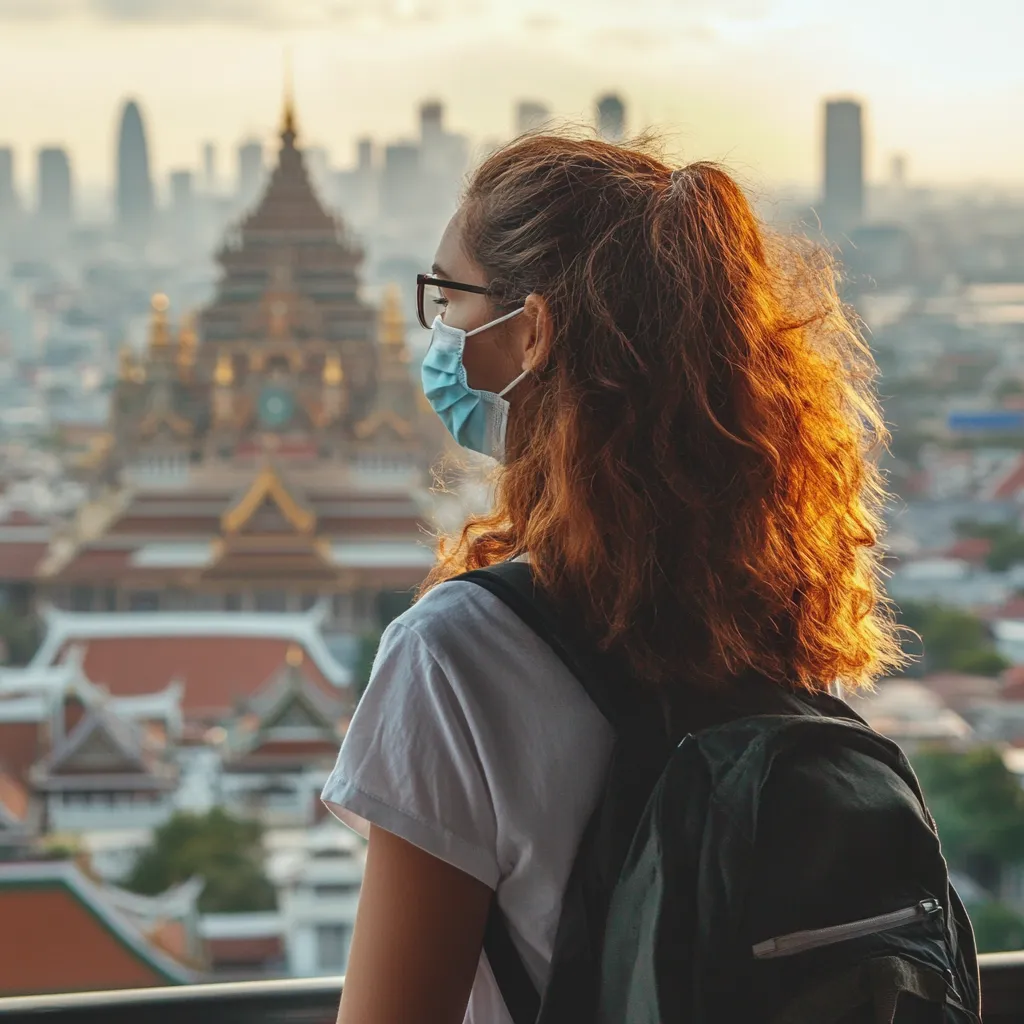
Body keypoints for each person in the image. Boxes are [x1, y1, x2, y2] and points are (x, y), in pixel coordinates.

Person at [321, 133, 904, 1024]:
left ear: (535, 330)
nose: (439, 336)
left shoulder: (455, 657)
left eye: (450, 298)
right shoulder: (766, 612)